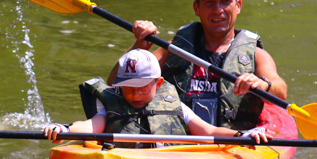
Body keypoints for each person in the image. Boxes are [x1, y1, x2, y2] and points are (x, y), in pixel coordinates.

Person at [108, 0, 287, 131]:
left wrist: (262, 85)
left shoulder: (256, 55)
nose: (218, 10)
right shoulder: (172, 50)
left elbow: (281, 91)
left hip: (233, 141)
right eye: (209, 3)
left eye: (225, 2)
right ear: (196, 8)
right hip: (178, 141)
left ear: (238, 6)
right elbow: (114, 86)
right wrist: (139, 45)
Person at [44, 49, 269, 146]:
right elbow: (90, 126)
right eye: (128, 88)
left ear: (158, 83)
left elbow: (207, 132)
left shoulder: (174, 104)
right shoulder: (114, 105)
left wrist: (241, 135)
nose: (135, 94)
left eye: (142, 87)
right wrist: (64, 130)